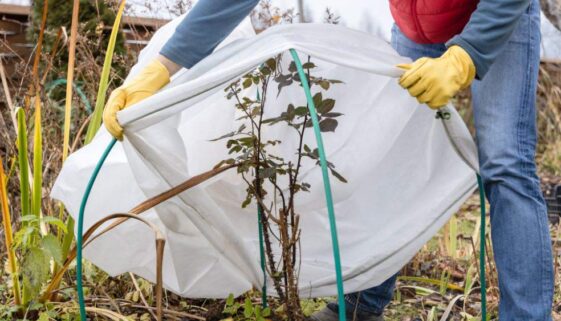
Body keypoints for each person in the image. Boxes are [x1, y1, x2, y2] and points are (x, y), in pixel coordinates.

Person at [103, 0, 554, 320]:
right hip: (416, 28)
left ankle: (527, 315)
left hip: (498, 16)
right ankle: (361, 305)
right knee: (388, 159)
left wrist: (466, 57)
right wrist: (162, 67)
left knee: (505, 165)